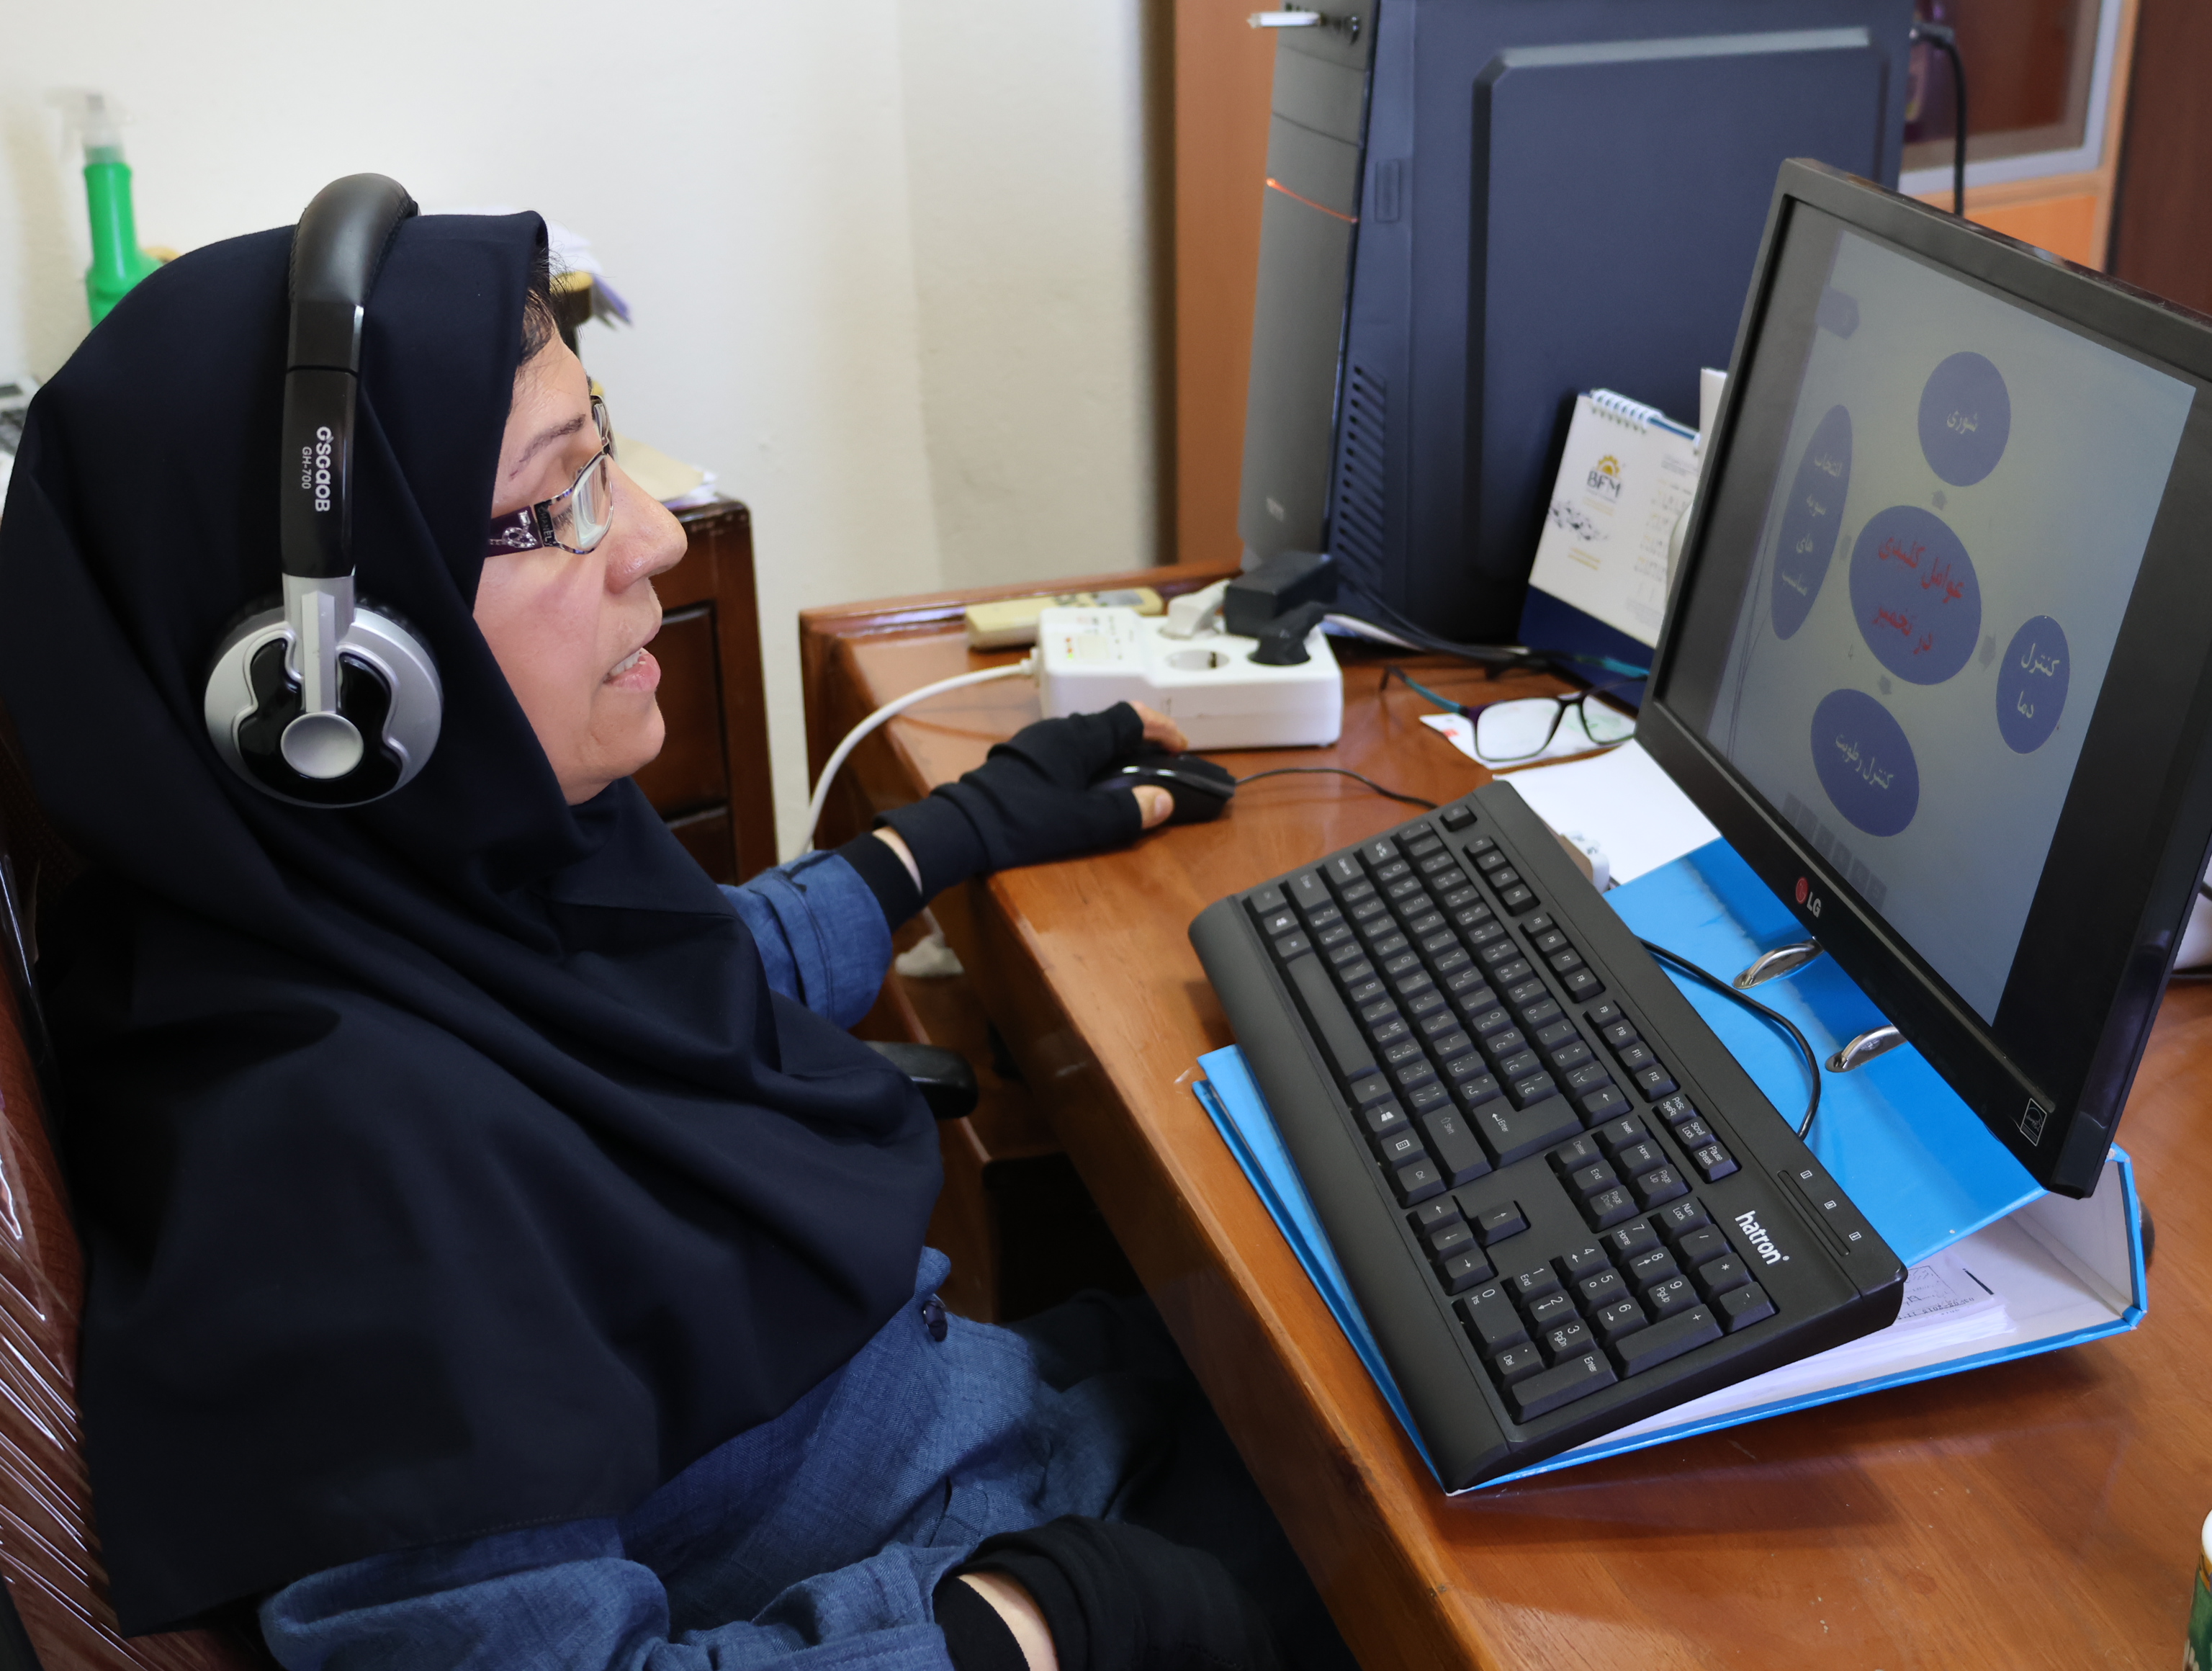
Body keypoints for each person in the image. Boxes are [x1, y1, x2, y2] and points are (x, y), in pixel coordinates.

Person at [0, 207, 1353, 1671]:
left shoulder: (371, 901)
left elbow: (628, 1003)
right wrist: (1027, 1624)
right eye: (557, 498)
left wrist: (931, 846)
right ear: (327, 680)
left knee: (1385, 1350)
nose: (650, 534)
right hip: (986, 1565)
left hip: (994, 1429)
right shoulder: (334, 1196)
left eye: (606, 448)